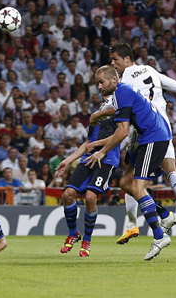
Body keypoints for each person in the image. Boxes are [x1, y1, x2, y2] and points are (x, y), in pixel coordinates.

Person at [90, 44, 176, 243]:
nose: (113, 63)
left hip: (145, 130)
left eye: (115, 59)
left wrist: (99, 113)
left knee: (132, 181)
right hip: (165, 127)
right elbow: (172, 84)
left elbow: (118, 105)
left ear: (127, 59)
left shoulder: (126, 79)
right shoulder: (150, 70)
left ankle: (133, 223)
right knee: (170, 172)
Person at [86, 65, 173, 261]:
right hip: (146, 138)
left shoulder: (122, 92)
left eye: (102, 82)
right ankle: (164, 215)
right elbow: (115, 112)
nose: (99, 86)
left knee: (138, 187)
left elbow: (123, 131)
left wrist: (102, 152)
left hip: (153, 137)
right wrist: (98, 115)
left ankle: (159, 236)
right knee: (126, 184)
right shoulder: (122, 92)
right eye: (97, 83)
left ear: (113, 81)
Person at [55, 95, 120, 257]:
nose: (103, 94)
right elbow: (88, 142)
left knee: (91, 197)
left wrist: (96, 145)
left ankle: (87, 240)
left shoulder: (120, 113)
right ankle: (73, 233)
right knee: (68, 194)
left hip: (107, 160)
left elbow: (120, 135)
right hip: (87, 159)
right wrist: (68, 160)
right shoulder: (95, 116)